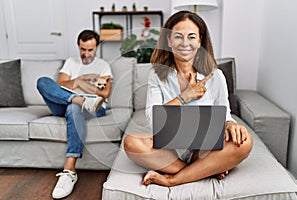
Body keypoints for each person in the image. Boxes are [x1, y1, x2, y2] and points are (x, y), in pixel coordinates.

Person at [124, 11, 253, 187]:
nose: (185, 43)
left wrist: (231, 125)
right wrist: (185, 97)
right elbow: (153, 120)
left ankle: (173, 179)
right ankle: (203, 169)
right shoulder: (157, 74)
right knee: (131, 143)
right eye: (178, 37)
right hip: (169, 150)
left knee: (245, 143)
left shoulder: (216, 76)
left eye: (191, 37)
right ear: (169, 41)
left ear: (200, 40)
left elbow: (225, 115)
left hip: (203, 150)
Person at [37, 29, 112, 199]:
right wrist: (80, 82)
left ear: (97, 47)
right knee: (42, 82)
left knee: (73, 108)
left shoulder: (103, 66)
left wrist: (76, 83)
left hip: (94, 108)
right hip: (65, 102)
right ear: (78, 46)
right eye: (83, 49)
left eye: (90, 50)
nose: (86, 54)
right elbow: (58, 86)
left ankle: (69, 170)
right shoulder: (71, 62)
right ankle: (76, 99)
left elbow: (104, 92)